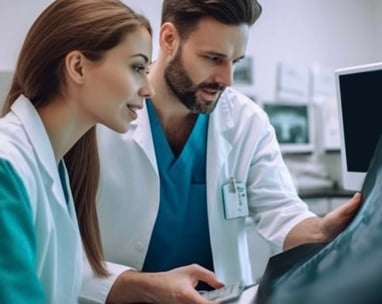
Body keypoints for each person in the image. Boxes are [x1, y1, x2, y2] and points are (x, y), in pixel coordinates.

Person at [87, 0, 362, 303]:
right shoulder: (103, 117)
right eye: (213, 58)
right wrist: (146, 287)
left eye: (235, 61)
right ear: (169, 39)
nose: (226, 79)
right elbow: (66, 245)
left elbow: (281, 212)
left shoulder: (247, 122)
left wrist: (323, 229)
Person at [0, 0, 153, 303]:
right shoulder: (8, 166)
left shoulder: (56, 166)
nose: (148, 88)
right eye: (137, 68)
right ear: (78, 67)